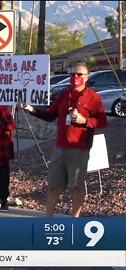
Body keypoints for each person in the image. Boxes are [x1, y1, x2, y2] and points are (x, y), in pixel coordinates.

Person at [19, 62, 107, 217]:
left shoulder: (93, 97)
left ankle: (75, 220)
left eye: (79, 74)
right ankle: (48, 220)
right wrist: (31, 109)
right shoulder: (64, 95)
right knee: (53, 185)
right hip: (59, 147)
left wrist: (84, 121)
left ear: (86, 77)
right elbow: (50, 115)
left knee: (76, 187)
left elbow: (102, 121)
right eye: (72, 74)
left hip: (79, 148)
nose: (75, 77)